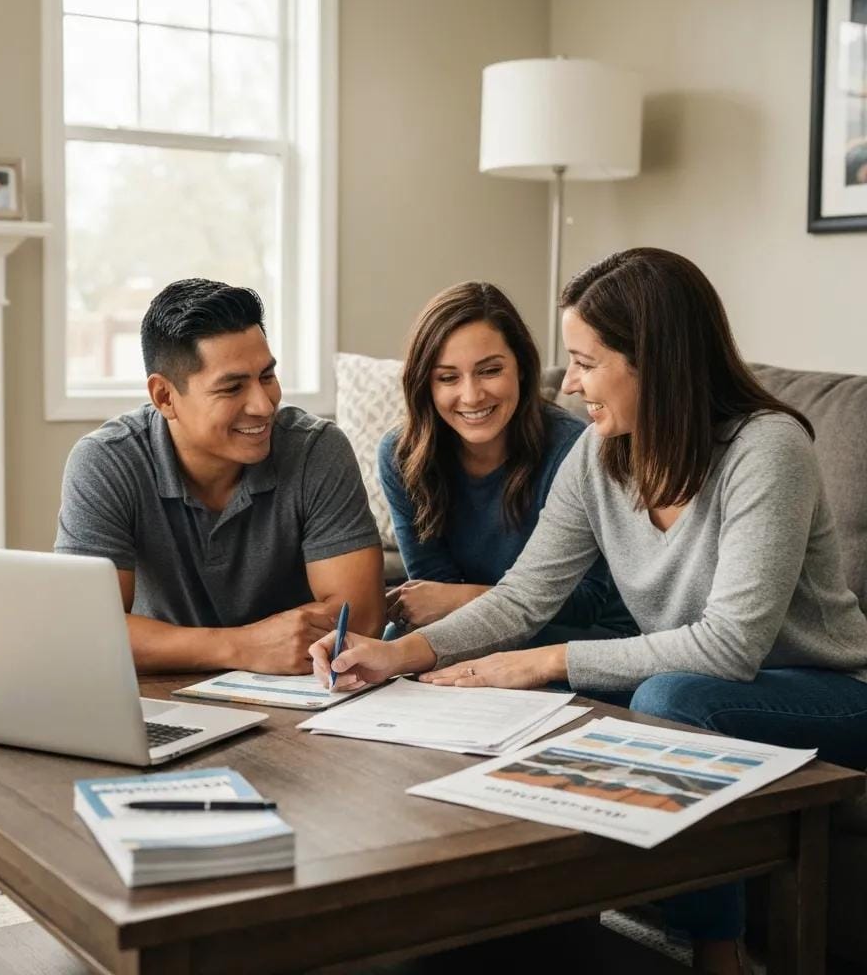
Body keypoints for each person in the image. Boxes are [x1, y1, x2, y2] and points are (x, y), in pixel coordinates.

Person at [312, 248, 867, 975]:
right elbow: (524, 596)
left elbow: (733, 648)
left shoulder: (768, 449)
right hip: (695, 680)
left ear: (654, 360)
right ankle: (524, 921)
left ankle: (717, 952)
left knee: (667, 696)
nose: (569, 383)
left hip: (824, 694)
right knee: (517, 692)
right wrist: (401, 655)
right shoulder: (602, 454)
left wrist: (549, 658)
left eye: (585, 361)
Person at [56, 278, 385, 675]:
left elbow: (361, 617)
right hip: (161, 692)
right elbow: (86, 630)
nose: (264, 406)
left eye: (266, 376)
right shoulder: (106, 462)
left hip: (297, 691)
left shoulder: (317, 450)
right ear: (164, 396)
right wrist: (242, 647)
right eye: (232, 388)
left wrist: (163, 641)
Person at [377, 280, 633, 639]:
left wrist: (464, 599)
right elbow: (435, 592)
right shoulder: (400, 456)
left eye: (490, 370)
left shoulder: (575, 449)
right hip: (484, 623)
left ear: (522, 368)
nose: (472, 395)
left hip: (581, 632)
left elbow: (588, 600)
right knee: (396, 640)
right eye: (448, 377)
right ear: (425, 385)